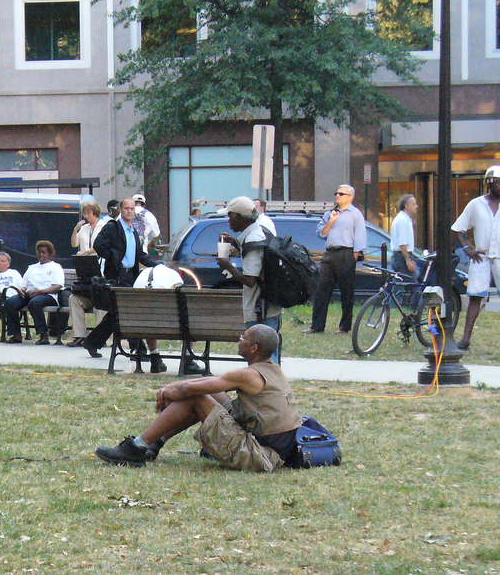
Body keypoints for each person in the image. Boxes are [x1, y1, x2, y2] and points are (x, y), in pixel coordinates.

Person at [94, 324, 301, 471]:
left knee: (196, 398)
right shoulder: (272, 370)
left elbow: (189, 391)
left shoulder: (248, 374)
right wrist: (175, 385)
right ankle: (154, 444)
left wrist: (169, 391)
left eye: (243, 338)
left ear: (254, 348)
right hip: (274, 448)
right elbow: (211, 383)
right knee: (205, 392)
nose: (239, 339)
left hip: (261, 455)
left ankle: (137, 447)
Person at [82, 198, 158, 358]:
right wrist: (114, 257)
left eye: (132, 209)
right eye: (126, 208)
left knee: (117, 314)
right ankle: (139, 350)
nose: (129, 211)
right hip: (118, 276)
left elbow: (139, 254)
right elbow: (99, 245)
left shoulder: (133, 232)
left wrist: (157, 266)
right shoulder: (112, 227)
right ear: (121, 210)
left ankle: (92, 342)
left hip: (131, 276)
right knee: (127, 311)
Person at [215, 196, 283, 363]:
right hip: (270, 303)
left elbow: (250, 280)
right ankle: (272, 383)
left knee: (261, 355)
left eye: (230, 216)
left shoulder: (253, 239)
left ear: (241, 217)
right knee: (269, 351)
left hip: (259, 307)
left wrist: (227, 265)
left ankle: (267, 384)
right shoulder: (259, 231)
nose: (228, 220)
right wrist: (235, 242)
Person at [305, 185, 366, 334]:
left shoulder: (355, 214)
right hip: (329, 253)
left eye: (342, 193)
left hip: (346, 253)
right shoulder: (330, 213)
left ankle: (345, 327)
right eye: (337, 193)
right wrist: (331, 221)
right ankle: (317, 326)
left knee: (346, 291)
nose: (338, 196)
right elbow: (321, 233)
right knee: (322, 289)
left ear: (350, 197)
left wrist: (354, 257)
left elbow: (360, 237)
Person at [451, 166, 500, 351]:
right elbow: (458, 228)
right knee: (475, 297)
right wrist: (466, 247)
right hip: (481, 256)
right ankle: (465, 339)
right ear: (491, 183)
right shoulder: (476, 204)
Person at [3, 241, 64, 344]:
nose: (41, 255)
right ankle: (16, 335)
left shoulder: (55, 267)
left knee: (34, 303)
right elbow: (23, 284)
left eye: (44, 252)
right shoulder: (32, 267)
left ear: (49, 253)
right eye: (39, 252)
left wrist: (40, 291)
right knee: (10, 302)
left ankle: (44, 335)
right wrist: (21, 290)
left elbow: (58, 286)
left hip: (48, 295)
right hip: (30, 294)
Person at [66, 201, 109, 348]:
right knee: (74, 299)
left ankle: (98, 336)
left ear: (94, 212)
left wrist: (87, 252)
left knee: (99, 298)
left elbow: (102, 247)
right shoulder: (84, 228)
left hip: (99, 266)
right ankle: (79, 335)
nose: (86, 215)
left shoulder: (103, 227)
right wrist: (75, 230)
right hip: (86, 267)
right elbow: (73, 244)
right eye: (85, 213)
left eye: (88, 212)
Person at [390, 194, 418, 276]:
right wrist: (408, 260)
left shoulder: (404, 219)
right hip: (401, 257)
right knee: (409, 284)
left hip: (402, 256)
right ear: (406, 206)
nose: (416, 206)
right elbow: (402, 243)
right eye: (413, 204)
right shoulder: (403, 220)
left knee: (403, 283)